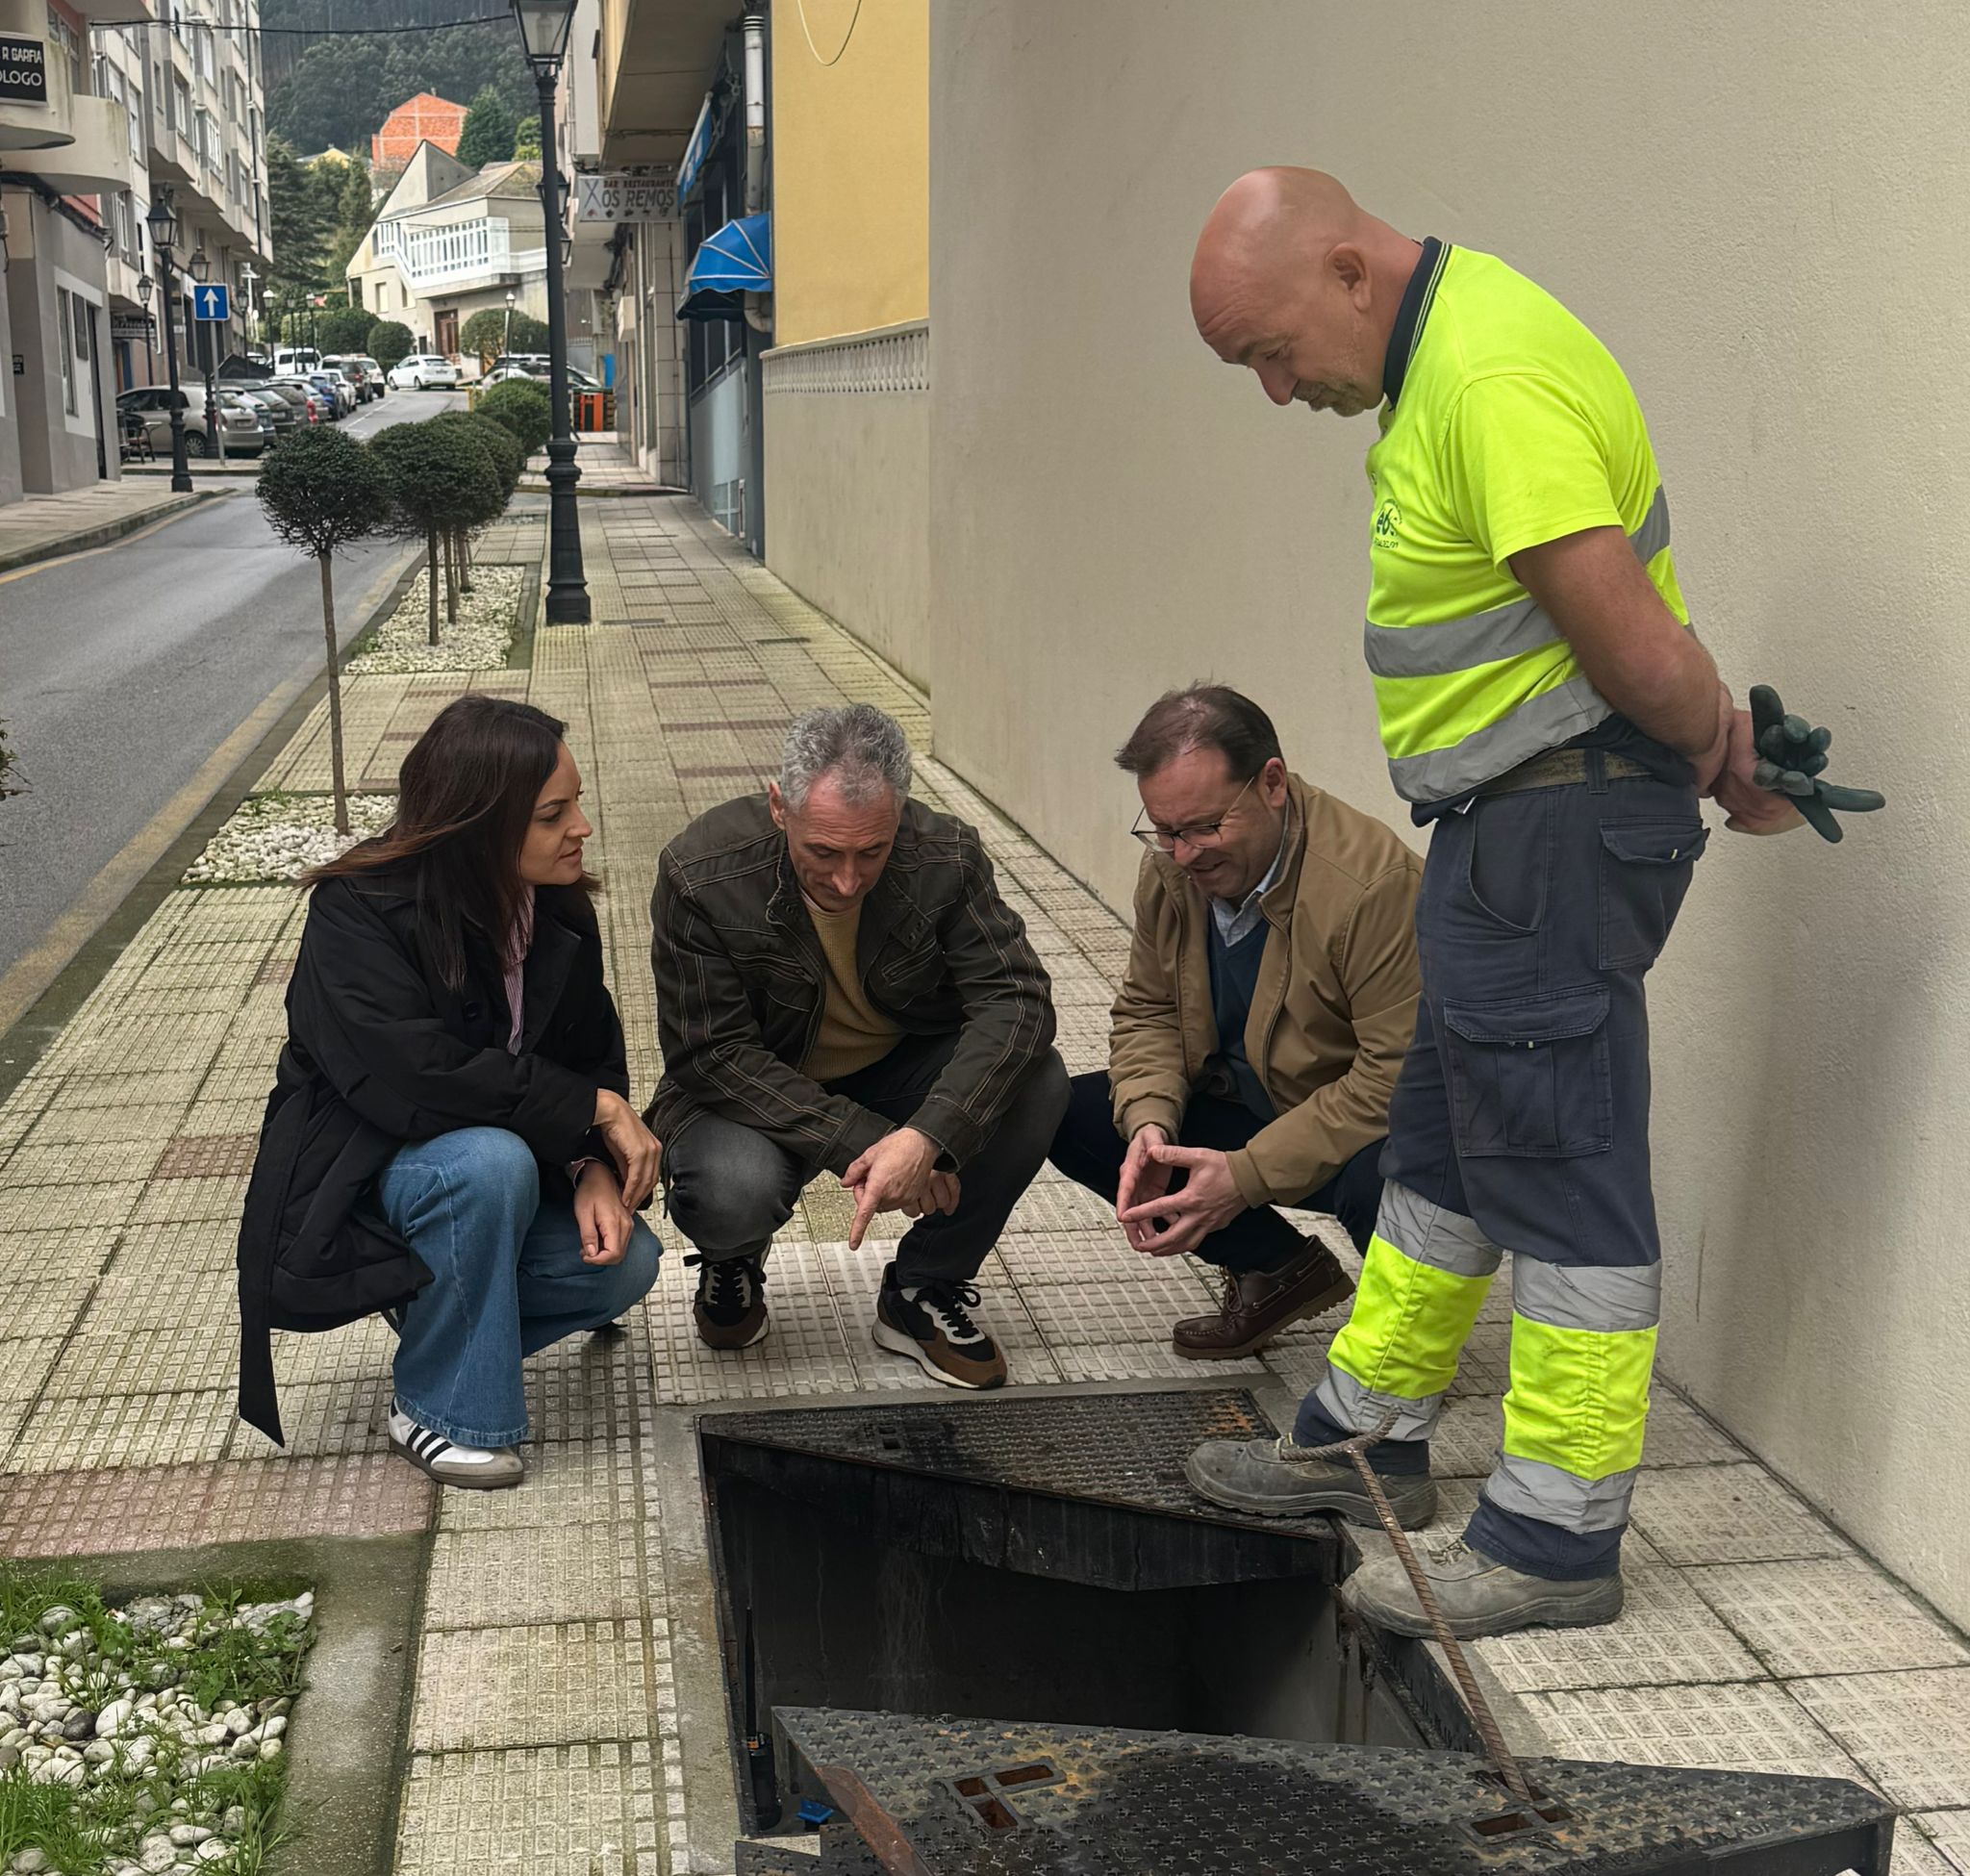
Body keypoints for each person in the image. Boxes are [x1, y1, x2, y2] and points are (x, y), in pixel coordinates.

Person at [1180, 167, 1807, 1638]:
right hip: (1507, 821)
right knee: (1447, 1138)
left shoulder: (1488, 371)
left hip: (1555, 820)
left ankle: (1552, 1535)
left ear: (1346, 270)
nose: (1278, 391)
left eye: (1270, 351)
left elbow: (1629, 637)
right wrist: (1706, 738)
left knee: (1561, 1164)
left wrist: (1709, 731)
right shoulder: (1456, 358)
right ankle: (1364, 1437)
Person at [235, 697, 663, 1490]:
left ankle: (441, 1306)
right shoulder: (358, 910)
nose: (582, 828)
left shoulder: (556, 903)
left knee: (625, 1265)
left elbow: (590, 1053)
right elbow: (418, 1078)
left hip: (489, 1168)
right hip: (363, 1171)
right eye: (552, 814)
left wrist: (590, 1166)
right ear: (480, 824)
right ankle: (436, 1409)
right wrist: (593, 1113)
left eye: (577, 803)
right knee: (488, 1162)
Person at [649, 702, 1069, 1389]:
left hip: (897, 1069)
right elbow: (712, 1053)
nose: (847, 879)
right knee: (731, 1191)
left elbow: (1016, 999)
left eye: (871, 852)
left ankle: (924, 1287)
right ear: (780, 806)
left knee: (1038, 1080)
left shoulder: (948, 855)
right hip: (752, 1089)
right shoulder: (700, 872)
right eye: (824, 852)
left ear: (900, 814)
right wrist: (876, 1141)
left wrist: (931, 1132)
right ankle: (734, 1259)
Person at [1048, 685, 1421, 1356]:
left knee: (1395, 1177)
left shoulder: (1372, 888)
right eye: (1166, 830)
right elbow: (1150, 1010)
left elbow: (1394, 1078)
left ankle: (1405, 1350)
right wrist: (1150, 1124)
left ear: (1271, 784)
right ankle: (1279, 1270)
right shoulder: (1171, 868)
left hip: (1350, 1128)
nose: (1184, 853)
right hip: (1250, 1104)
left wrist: (1244, 1177)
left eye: (1205, 827)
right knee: (1069, 1110)